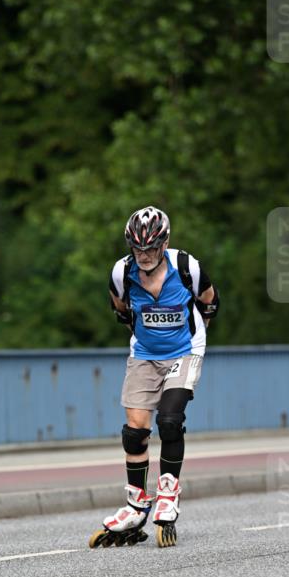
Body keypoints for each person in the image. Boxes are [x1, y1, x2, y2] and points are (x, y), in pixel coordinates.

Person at [89, 206, 219, 549]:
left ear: (165, 243)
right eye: (138, 249)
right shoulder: (122, 272)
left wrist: (193, 340)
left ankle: (168, 494)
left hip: (185, 349)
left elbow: (210, 302)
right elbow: (120, 310)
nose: (145, 256)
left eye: (151, 248)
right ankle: (136, 504)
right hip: (145, 353)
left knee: (171, 420)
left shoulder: (186, 266)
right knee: (134, 432)